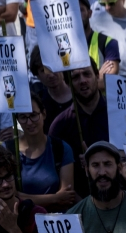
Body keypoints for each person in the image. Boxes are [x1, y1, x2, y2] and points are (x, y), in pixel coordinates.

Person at [5, 94, 76, 213]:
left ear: (43, 114)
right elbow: (10, 196)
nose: (29, 122)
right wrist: (55, 198)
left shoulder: (61, 148)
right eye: (23, 117)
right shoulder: (7, 151)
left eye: (33, 115)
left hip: (55, 221)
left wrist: (25, 198)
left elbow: (67, 198)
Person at [49, 61, 108, 197]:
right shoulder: (60, 125)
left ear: (97, 75)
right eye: (75, 77)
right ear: (68, 83)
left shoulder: (117, 114)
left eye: (86, 74)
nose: (82, 81)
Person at [28, 47, 73, 134]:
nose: (51, 75)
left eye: (53, 67)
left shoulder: (79, 94)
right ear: (37, 76)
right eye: (43, 71)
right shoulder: (38, 103)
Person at [79, 0, 120, 90]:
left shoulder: (109, 43)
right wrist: (97, 76)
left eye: (81, 10)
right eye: (73, 11)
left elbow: (109, 82)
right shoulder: (63, 46)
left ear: (90, 13)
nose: (77, 14)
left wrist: (76, 87)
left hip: (102, 102)